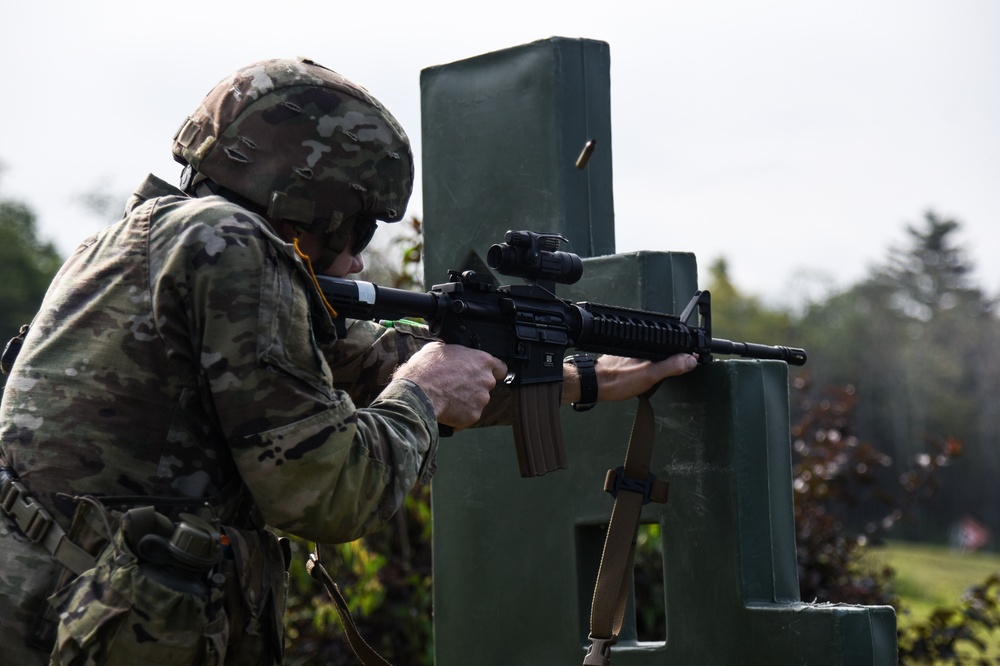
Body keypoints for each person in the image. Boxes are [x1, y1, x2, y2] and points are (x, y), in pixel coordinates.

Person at [0, 57, 697, 665]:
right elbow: (328, 493)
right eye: (359, 226)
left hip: (50, 612)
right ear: (312, 203)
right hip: (79, 627)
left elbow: (368, 362)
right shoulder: (232, 247)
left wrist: (587, 378)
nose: (361, 257)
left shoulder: (146, 240)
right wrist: (423, 396)